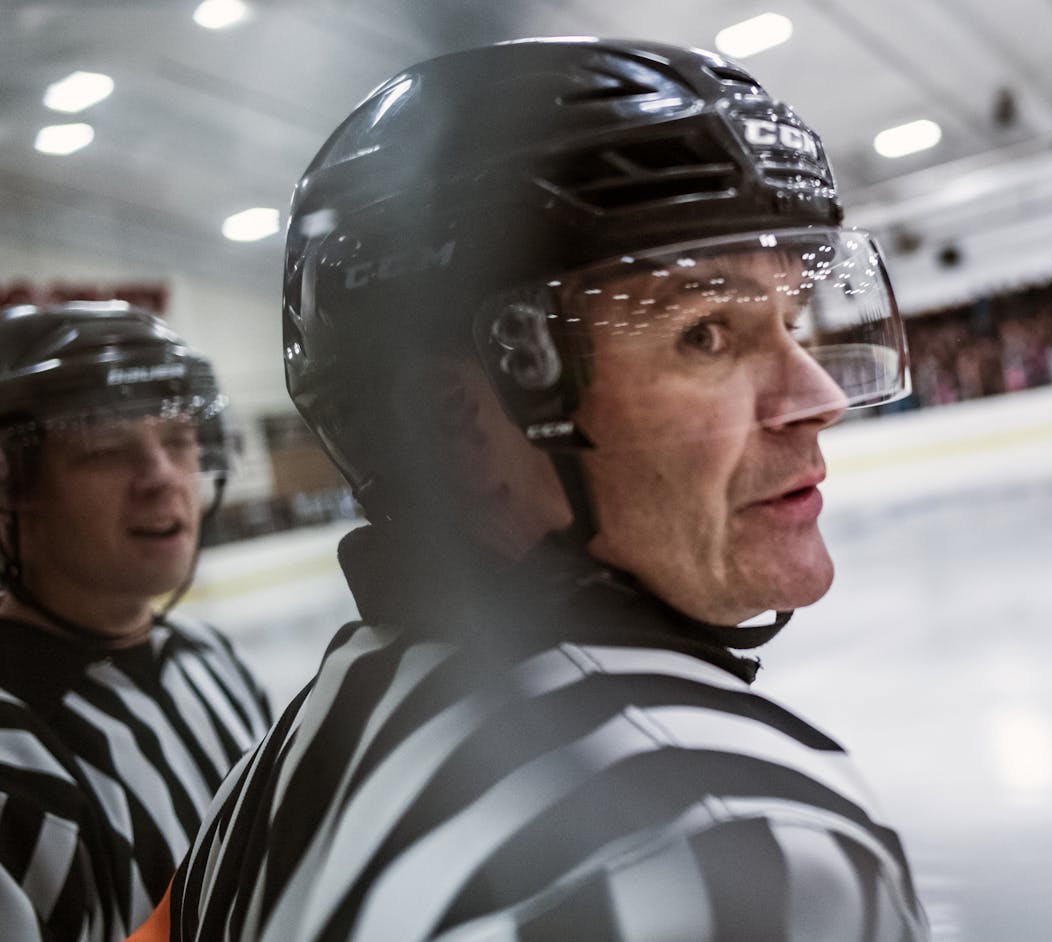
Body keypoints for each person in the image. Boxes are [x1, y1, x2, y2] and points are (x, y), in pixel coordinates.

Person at [145, 37, 928, 941]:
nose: (818, 400)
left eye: (793, 321)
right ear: (452, 424)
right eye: (704, 334)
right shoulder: (736, 841)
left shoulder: (282, 769)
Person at [0, 301, 271, 941]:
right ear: (11, 485)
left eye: (177, 441)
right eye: (105, 449)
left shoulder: (213, 661)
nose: (162, 478)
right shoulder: (12, 762)